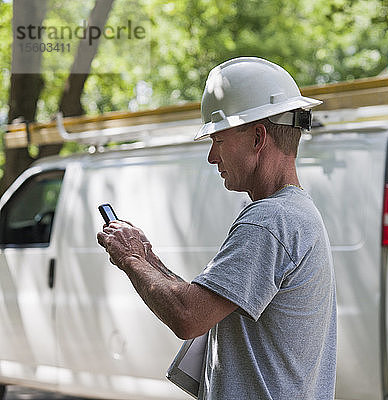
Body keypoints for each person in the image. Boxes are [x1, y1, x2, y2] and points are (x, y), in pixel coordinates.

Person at [97, 57, 337, 400]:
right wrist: (149, 258)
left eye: (219, 140)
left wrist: (129, 258)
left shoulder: (269, 221)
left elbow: (188, 317)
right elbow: (207, 303)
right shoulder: (296, 212)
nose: (212, 156)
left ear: (257, 137)